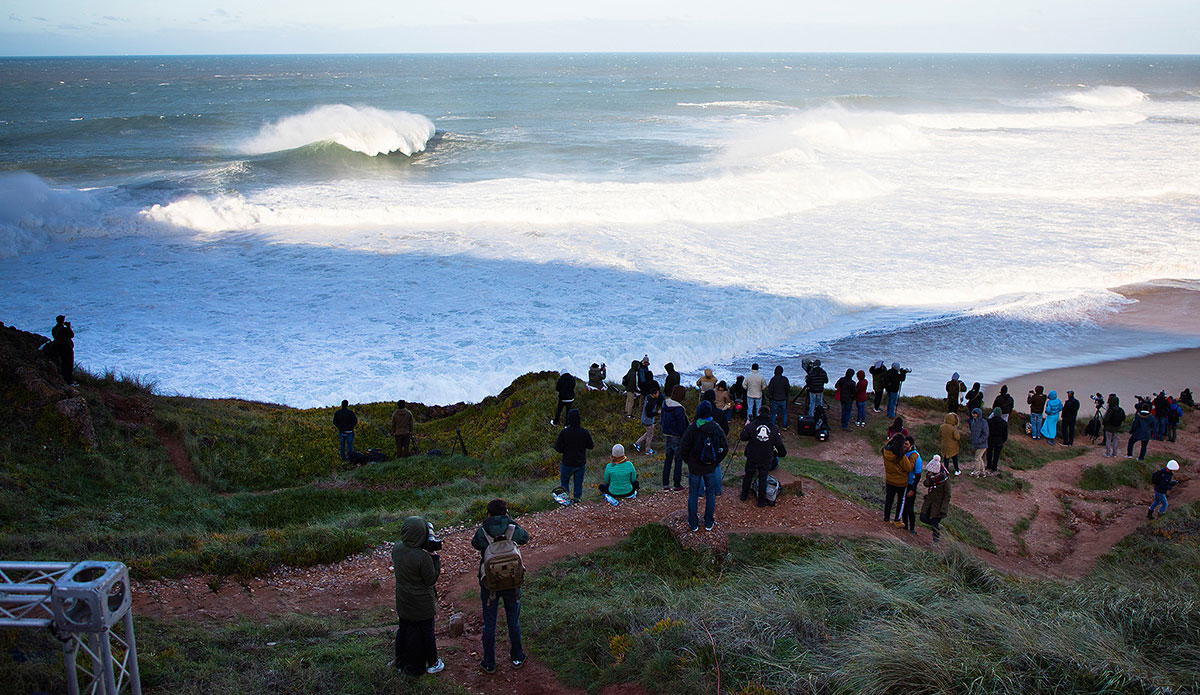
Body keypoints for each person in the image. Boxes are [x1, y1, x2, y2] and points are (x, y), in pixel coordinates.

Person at [471, 499, 529, 674]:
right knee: (513, 620)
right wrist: (511, 523)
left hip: (490, 584)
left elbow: (475, 545)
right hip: (512, 582)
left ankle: (489, 663)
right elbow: (525, 538)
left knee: (489, 623)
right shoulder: (512, 528)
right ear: (506, 512)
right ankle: (517, 657)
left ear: (488, 514)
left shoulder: (482, 532)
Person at [392, 516, 443, 677]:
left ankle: (398, 661)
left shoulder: (397, 549)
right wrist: (434, 557)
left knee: (404, 629)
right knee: (427, 632)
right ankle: (433, 662)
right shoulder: (423, 558)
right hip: (422, 604)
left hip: (403, 600)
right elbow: (431, 579)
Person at [679, 400, 728, 531]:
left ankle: (693, 523)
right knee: (710, 493)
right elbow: (725, 448)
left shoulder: (693, 427)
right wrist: (716, 461)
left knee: (693, 494)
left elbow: (683, 448)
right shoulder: (716, 427)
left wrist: (689, 461)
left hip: (695, 467)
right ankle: (708, 522)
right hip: (710, 467)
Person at [739, 406, 787, 507]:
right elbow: (779, 444)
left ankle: (744, 495)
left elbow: (743, 437)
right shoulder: (774, 427)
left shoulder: (752, 425)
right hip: (766, 457)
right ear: (769, 414)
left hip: (752, 455)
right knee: (763, 478)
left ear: (759, 412)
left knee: (748, 475)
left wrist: (746, 427)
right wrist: (779, 453)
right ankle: (761, 501)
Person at [553, 409, 594, 504]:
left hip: (567, 462)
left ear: (569, 419)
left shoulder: (564, 433)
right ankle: (577, 499)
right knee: (578, 482)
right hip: (580, 462)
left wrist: (565, 449)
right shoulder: (585, 432)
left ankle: (565, 499)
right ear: (579, 419)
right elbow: (591, 446)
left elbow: (557, 448)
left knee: (564, 482)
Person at [660, 386, 688, 491]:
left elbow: (662, 419)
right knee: (678, 461)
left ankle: (665, 485)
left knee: (668, 460)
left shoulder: (665, 403)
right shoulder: (679, 408)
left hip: (668, 435)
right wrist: (684, 435)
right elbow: (681, 425)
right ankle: (677, 485)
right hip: (677, 436)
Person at [882, 434, 914, 526]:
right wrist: (913, 460)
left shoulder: (885, 451)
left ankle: (886, 518)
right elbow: (908, 468)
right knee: (901, 501)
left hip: (889, 480)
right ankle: (897, 520)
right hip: (900, 482)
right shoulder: (900, 456)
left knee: (889, 499)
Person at [919, 457, 952, 543]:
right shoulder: (932, 477)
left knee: (934, 521)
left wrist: (944, 509)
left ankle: (936, 539)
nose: (929, 473)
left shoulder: (945, 480)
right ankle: (936, 527)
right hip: (929, 502)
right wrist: (930, 481)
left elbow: (947, 495)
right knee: (922, 517)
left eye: (931, 472)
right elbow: (925, 483)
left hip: (939, 505)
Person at [900, 437, 923, 533]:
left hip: (910, 485)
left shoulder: (916, 457)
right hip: (903, 483)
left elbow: (918, 475)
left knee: (909, 508)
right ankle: (905, 526)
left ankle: (912, 528)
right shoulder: (903, 453)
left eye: (906, 444)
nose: (904, 446)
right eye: (904, 444)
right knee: (904, 507)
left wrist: (913, 489)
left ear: (911, 445)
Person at [634, 384, 661, 455]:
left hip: (644, 419)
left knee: (648, 433)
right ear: (654, 394)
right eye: (657, 393)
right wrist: (657, 413)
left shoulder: (648, 397)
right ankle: (648, 450)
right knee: (650, 435)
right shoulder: (651, 403)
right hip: (648, 420)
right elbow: (649, 413)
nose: (658, 394)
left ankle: (637, 443)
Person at [51, 315, 75, 385]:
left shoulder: (54, 329)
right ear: (62, 321)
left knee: (63, 364)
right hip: (67, 349)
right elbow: (71, 335)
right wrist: (68, 327)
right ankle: (69, 381)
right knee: (69, 365)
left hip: (59, 349)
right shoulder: (64, 329)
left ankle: (64, 379)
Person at [767, 366, 790, 431]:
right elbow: (787, 389)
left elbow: (770, 389)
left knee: (774, 413)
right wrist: (786, 395)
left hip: (775, 399)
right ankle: (784, 426)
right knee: (784, 413)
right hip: (783, 398)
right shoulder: (785, 379)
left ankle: (773, 426)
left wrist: (771, 395)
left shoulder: (773, 379)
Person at [985, 407, 1007, 474]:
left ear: (994, 413)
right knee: (996, 455)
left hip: (990, 440)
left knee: (989, 453)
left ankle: (989, 465)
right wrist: (1003, 440)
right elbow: (1005, 434)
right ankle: (994, 467)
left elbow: (986, 431)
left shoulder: (989, 421)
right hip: (999, 440)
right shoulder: (1004, 423)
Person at [967, 407, 988, 477]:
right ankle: (983, 472)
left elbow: (986, 434)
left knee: (977, 458)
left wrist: (979, 441)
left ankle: (976, 473)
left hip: (982, 444)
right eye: (974, 414)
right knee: (979, 458)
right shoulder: (973, 421)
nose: (974, 415)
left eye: (976, 414)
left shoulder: (983, 422)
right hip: (976, 443)